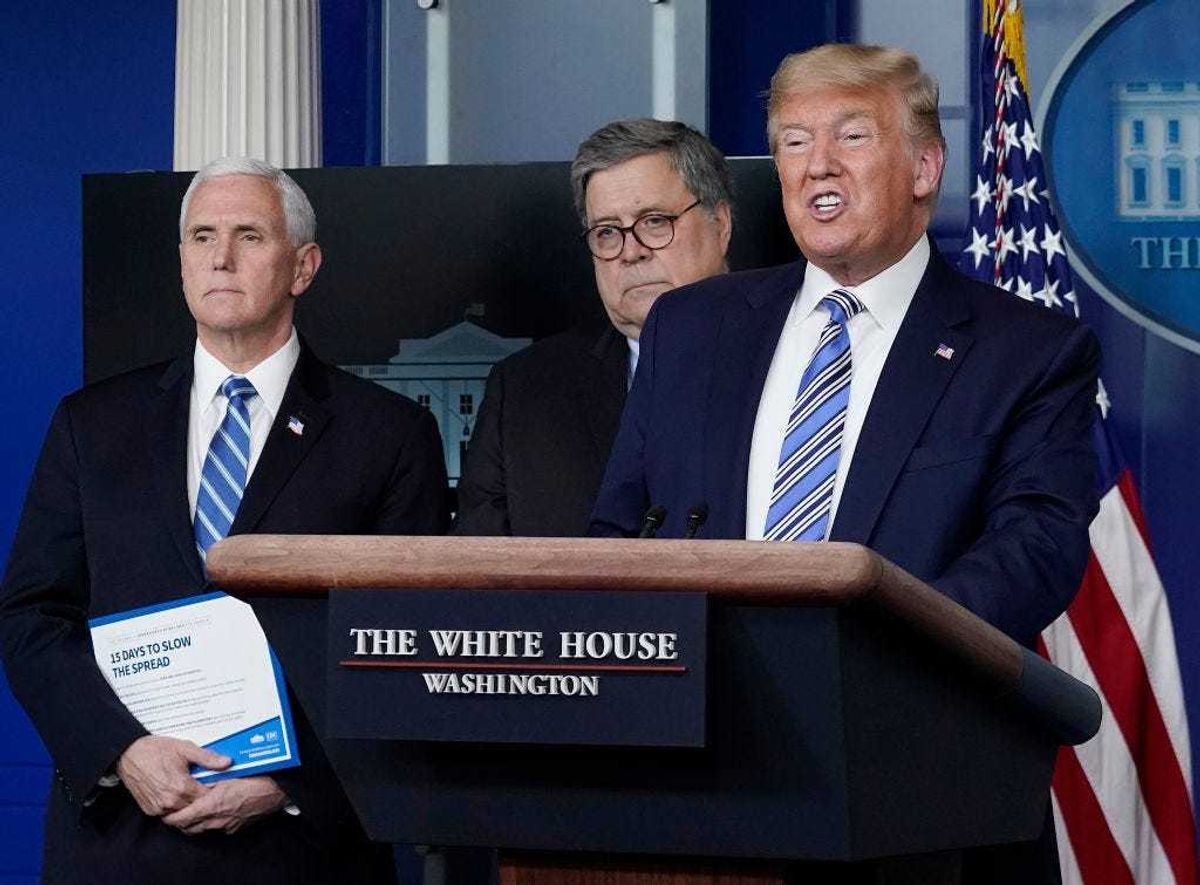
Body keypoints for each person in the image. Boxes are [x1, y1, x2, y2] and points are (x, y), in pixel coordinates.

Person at [590, 43, 1099, 880]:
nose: (815, 164)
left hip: (919, 793)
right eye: (793, 142)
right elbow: (617, 526)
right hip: (700, 786)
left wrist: (860, 669)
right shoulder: (692, 327)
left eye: (850, 136)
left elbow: (1037, 547)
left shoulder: (1027, 351)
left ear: (925, 166)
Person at [0, 156, 449, 885]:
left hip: (302, 849)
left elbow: (409, 644)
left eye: (249, 234)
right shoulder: (92, 425)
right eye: (202, 236)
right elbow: (31, 615)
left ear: (303, 266)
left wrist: (292, 785)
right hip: (119, 842)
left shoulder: (388, 435)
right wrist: (121, 751)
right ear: (180, 262)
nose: (222, 256)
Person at [455, 118, 732, 536]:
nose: (631, 252)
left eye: (655, 221)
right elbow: (475, 573)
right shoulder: (524, 390)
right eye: (606, 232)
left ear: (720, 224)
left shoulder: (796, 359)